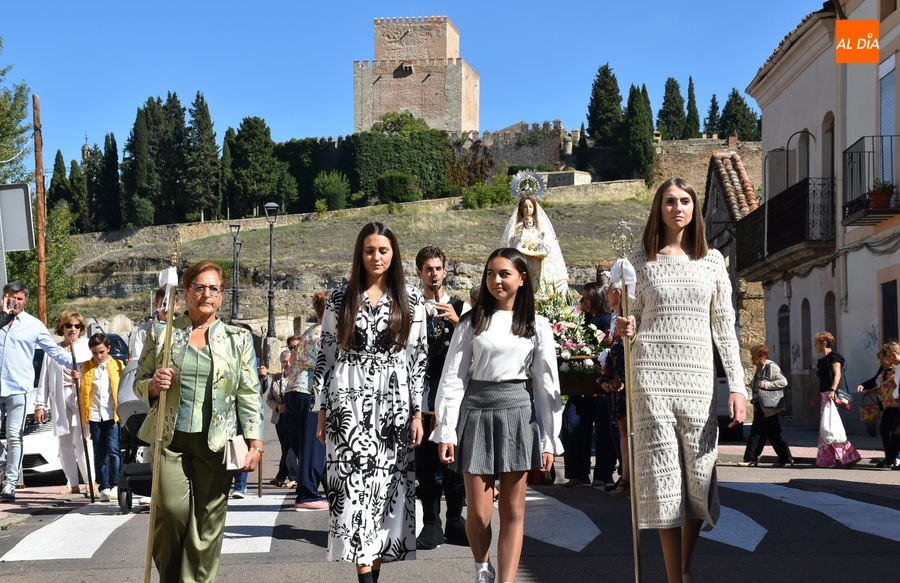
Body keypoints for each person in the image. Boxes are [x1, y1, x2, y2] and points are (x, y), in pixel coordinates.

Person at [615, 177, 747, 583]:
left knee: (698, 478)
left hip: (698, 383)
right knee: (665, 480)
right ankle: (677, 576)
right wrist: (625, 326)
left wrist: (738, 386)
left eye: (685, 201)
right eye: (670, 201)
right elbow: (632, 318)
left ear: (695, 209)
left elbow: (724, 327)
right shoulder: (638, 261)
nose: (678, 208)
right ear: (659, 208)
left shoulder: (713, 261)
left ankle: (684, 564)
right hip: (650, 379)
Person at [433, 247, 563, 583]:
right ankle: (482, 566)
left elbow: (546, 384)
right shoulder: (470, 322)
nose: (496, 280)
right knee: (478, 513)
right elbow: (453, 378)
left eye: (504, 274)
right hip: (476, 411)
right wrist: (446, 430)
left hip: (518, 413)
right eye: (491, 273)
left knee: (513, 510)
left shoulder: (537, 325)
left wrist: (549, 438)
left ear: (521, 279)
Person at [135, 260, 263, 583]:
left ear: (222, 295)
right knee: (172, 512)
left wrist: (256, 443)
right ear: (185, 291)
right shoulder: (163, 333)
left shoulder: (238, 339)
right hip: (169, 438)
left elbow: (249, 392)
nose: (207, 294)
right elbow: (138, 381)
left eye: (214, 289)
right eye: (199, 287)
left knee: (207, 522)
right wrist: (153, 385)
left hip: (217, 443)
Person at [313, 222, 427, 583]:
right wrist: (322, 412)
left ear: (394, 254)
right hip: (346, 403)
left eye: (383, 250)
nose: (376, 257)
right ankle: (365, 577)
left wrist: (418, 413)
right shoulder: (339, 298)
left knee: (386, 492)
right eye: (369, 250)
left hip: (394, 405)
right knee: (352, 492)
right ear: (359, 254)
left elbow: (417, 360)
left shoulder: (412, 300)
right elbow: (325, 356)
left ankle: (372, 575)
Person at [0, 282, 78, 502]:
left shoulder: (33, 325)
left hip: (18, 389)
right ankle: (4, 464)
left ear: (25, 300)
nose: (14, 302)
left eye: (19, 298)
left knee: (14, 436)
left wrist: (78, 364)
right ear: (4, 298)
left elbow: (53, 350)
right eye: (10, 297)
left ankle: (10, 484)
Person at [414, 245, 470, 549]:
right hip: (423, 390)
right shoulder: (412, 307)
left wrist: (457, 321)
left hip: (452, 391)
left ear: (445, 271)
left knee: (455, 460)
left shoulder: (461, 307)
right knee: (425, 461)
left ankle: (455, 520)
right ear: (419, 273)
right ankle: (431, 523)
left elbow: (476, 346)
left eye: (438, 269)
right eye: (428, 269)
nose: (433, 274)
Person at [560, 282, 615, 487]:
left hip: (599, 386)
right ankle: (578, 472)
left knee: (603, 430)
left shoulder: (605, 320)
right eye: (582, 298)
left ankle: (603, 474)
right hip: (581, 384)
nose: (583, 302)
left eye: (586, 298)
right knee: (571, 421)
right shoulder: (583, 320)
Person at [35, 310, 95, 495]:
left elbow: (95, 372)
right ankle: (72, 483)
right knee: (64, 442)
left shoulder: (87, 346)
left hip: (80, 398)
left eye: (77, 326)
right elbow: (44, 378)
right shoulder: (53, 350)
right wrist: (40, 404)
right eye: (68, 325)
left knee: (82, 439)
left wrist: (81, 375)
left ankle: (90, 481)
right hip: (60, 398)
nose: (72, 329)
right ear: (62, 328)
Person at [285, 293, 329, 511]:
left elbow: (293, 359)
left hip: (294, 389)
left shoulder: (310, 331)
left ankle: (330, 488)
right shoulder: (326, 333)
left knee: (307, 445)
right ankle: (307, 494)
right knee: (315, 444)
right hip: (311, 392)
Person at [81, 333, 126, 502]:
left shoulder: (118, 365)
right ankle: (104, 487)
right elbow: (83, 391)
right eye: (94, 353)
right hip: (94, 415)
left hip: (112, 415)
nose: (98, 356)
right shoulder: (86, 367)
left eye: (101, 352)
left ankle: (116, 484)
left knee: (113, 451)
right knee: (99, 452)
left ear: (108, 349)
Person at [500, 194, 568, 295]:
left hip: (537, 257)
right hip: (523, 257)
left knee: (536, 278)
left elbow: (547, 241)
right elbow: (512, 240)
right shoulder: (518, 226)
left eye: (530, 207)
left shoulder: (539, 224)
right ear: (521, 209)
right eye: (525, 207)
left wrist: (542, 240)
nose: (528, 209)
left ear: (534, 208)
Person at [599, 281, 630, 497]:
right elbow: (613, 355)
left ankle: (631, 478)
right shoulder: (617, 323)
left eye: (608, 292)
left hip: (632, 389)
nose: (606, 296)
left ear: (618, 294)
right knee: (623, 432)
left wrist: (627, 381)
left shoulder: (629, 322)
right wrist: (604, 379)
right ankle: (626, 477)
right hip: (618, 387)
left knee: (631, 433)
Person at [811, 331, 860, 469]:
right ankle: (827, 460)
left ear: (824, 343)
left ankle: (849, 455)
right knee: (826, 428)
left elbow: (837, 375)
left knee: (830, 427)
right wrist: (817, 395)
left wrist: (832, 390)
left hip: (830, 395)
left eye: (816, 343)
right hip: (824, 395)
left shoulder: (834, 358)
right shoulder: (822, 361)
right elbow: (823, 381)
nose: (814, 346)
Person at [739, 345, 793, 467]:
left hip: (769, 406)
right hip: (762, 405)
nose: (751, 359)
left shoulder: (771, 366)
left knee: (756, 432)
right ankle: (786, 458)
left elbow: (783, 381)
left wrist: (766, 384)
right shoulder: (759, 368)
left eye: (754, 356)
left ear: (761, 357)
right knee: (774, 433)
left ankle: (750, 458)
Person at [857, 342, 900, 468]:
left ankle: (894, 457)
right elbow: (883, 386)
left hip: (896, 404)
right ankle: (889, 457)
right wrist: (872, 390)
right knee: (885, 429)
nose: (881, 363)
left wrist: (894, 395)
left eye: (883, 360)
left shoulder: (897, 369)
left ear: (892, 356)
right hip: (888, 405)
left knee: (896, 431)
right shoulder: (885, 371)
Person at [264, 349, 299, 489]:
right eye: (284, 361)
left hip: (293, 417)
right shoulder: (276, 378)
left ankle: (294, 477)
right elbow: (269, 399)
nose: (287, 364)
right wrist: (278, 406)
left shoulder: (297, 377)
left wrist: (290, 406)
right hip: (280, 418)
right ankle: (281, 477)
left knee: (289, 447)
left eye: (289, 361)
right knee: (285, 447)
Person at [131, 287, 181, 363]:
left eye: (171, 304)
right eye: (164, 304)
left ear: (177, 305)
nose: (167, 308)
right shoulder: (143, 331)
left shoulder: (182, 329)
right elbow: (137, 359)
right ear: (156, 305)